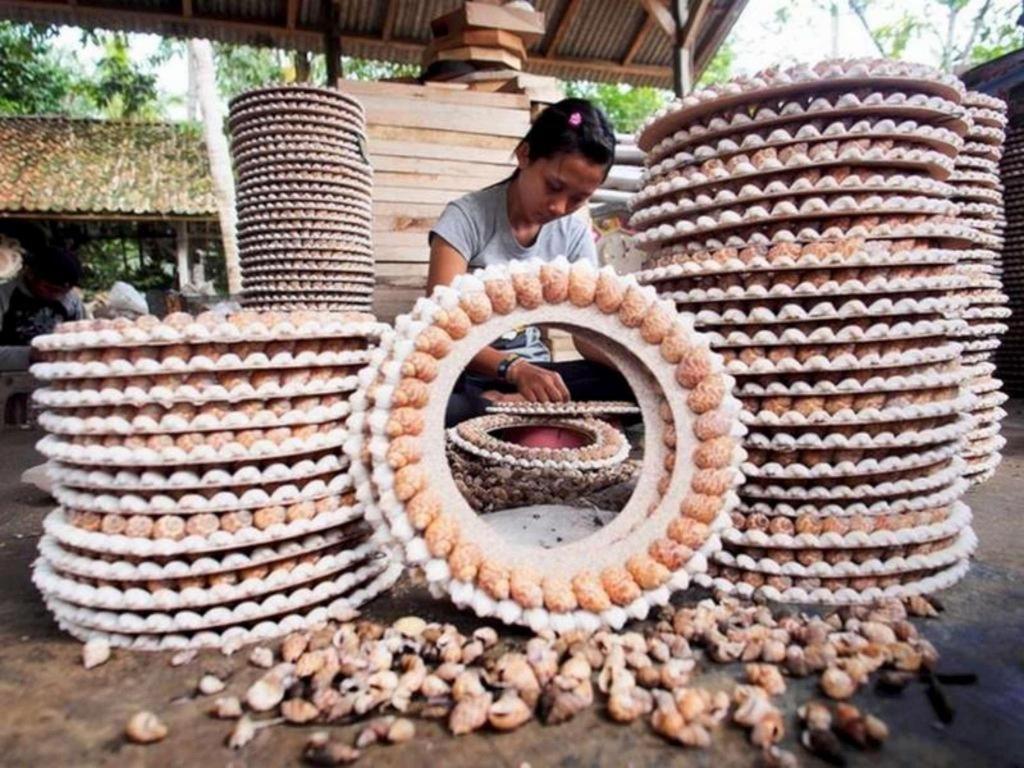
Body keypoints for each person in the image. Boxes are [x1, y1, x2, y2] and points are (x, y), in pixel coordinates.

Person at [428, 98, 634, 426]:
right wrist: (514, 369)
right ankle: (513, 411)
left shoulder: (574, 235)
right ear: (524, 155)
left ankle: (515, 409)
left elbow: (586, 334)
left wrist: (641, 361)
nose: (559, 207)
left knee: (633, 383)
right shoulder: (465, 219)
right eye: (554, 187)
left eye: (578, 199)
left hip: (537, 377)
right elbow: (442, 328)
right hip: (472, 373)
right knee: (439, 407)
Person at [0, 224, 84, 370]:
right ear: (30, 274)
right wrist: (30, 354)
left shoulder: (71, 299)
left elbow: (84, 338)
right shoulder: (4, 296)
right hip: (11, 380)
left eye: (63, 291)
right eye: (50, 289)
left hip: (59, 376)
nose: (57, 296)